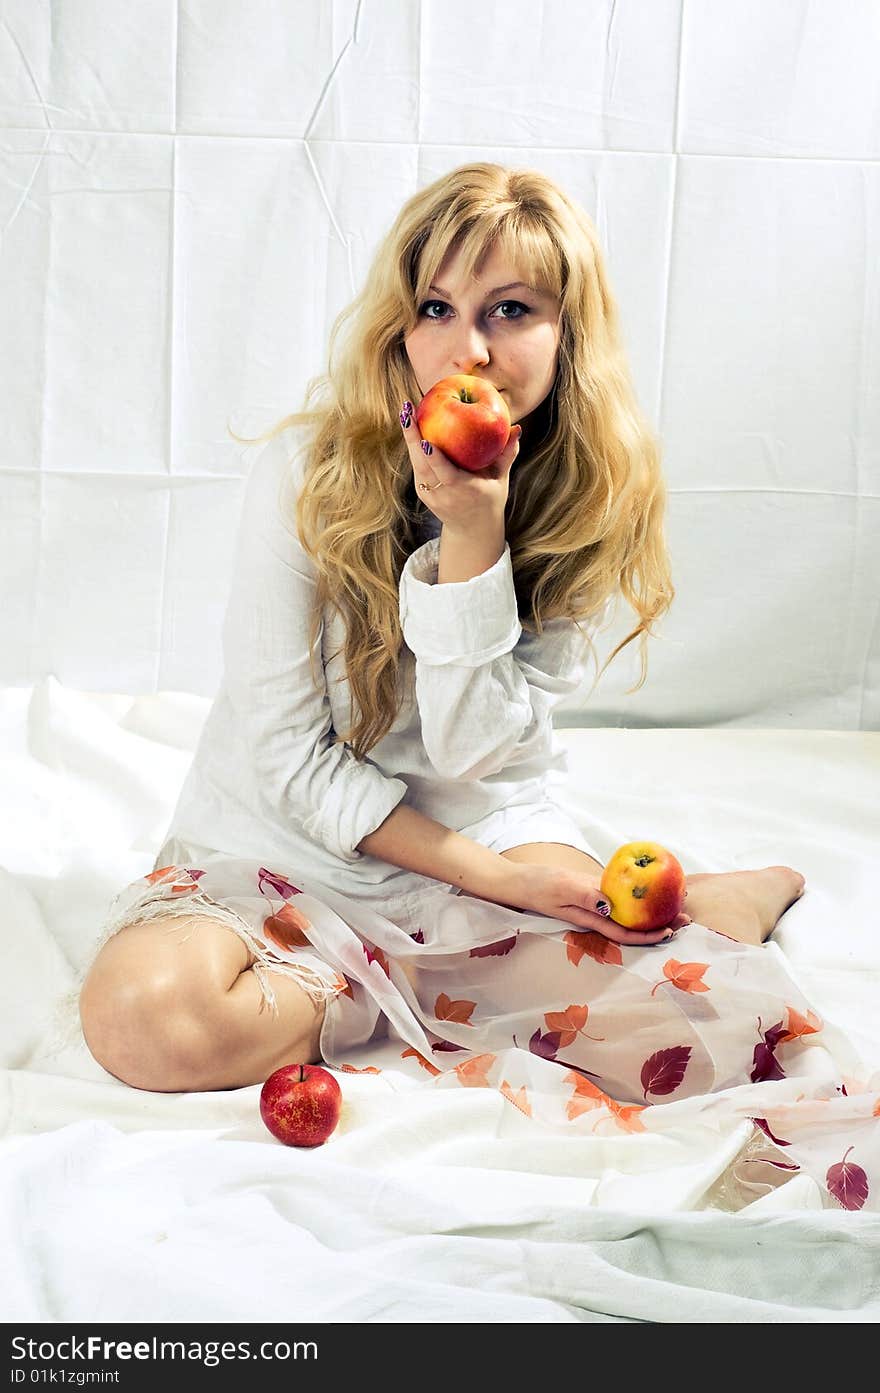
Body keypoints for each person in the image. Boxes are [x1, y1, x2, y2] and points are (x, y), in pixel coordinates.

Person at [79, 163, 839, 1164]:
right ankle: (384, 976)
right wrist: (497, 885)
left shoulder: (579, 498)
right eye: (435, 306)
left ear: (565, 335)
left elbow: (473, 751)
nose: (466, 347)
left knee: (719, 1037)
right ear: (399, 322)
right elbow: (287, 757)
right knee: (145, 1018)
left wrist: (472, 542)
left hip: (480, 832)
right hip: (281, 853)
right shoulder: (306, 474)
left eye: (511, 309)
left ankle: (718, 897)